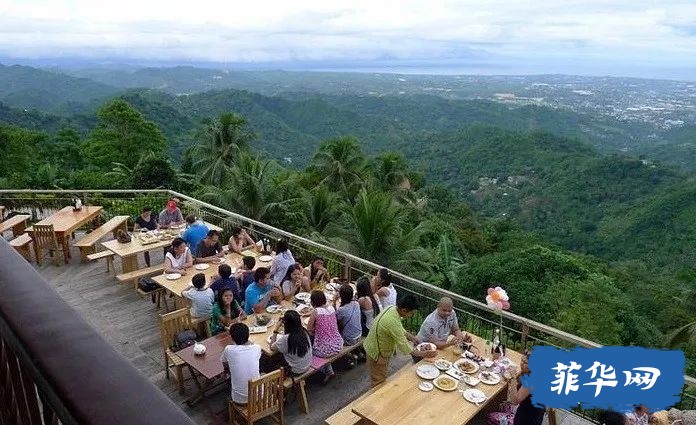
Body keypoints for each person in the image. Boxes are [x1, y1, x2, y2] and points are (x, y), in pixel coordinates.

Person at [364, 294, 436, 387]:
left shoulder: (392, 308)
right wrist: (424, 354)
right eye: (411, 313)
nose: (411, 316)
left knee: (380, 377)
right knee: (378, 382)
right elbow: (404, 346)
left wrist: (412, 337)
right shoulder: (392, 322)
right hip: (377, 353)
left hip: (373, 345)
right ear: (404, 310)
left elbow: (399, 328)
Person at [307, 290, 343, 383]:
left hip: (325, 350)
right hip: (338, 344)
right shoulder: (331, 308)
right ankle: (330, 371)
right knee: (323, 342)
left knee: (310, 348)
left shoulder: (316, 312)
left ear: (312, 302)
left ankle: (325, 371)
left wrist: (314, 331)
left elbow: (309, 329)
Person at [220, 323, 261, 405]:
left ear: (232, 338)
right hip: (258, 397)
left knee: (229, 377)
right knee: (261, 373)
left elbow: (224, 364)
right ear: (248, 335)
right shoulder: (257, 348)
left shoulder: (228, 349)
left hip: (239, 400)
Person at [268, 310, 312, 376]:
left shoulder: (287, 338)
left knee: (268, 360)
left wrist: (275, 330)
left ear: (286, 324)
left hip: (296, 371)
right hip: (307, 364)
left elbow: (271, 347)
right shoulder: (304, 331)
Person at [511, 351, 545, 425]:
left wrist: (512, 378)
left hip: (528, 417)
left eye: (525, 363)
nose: (521, 364)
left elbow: (515, 400)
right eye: (521, 360)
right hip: (536, 412)